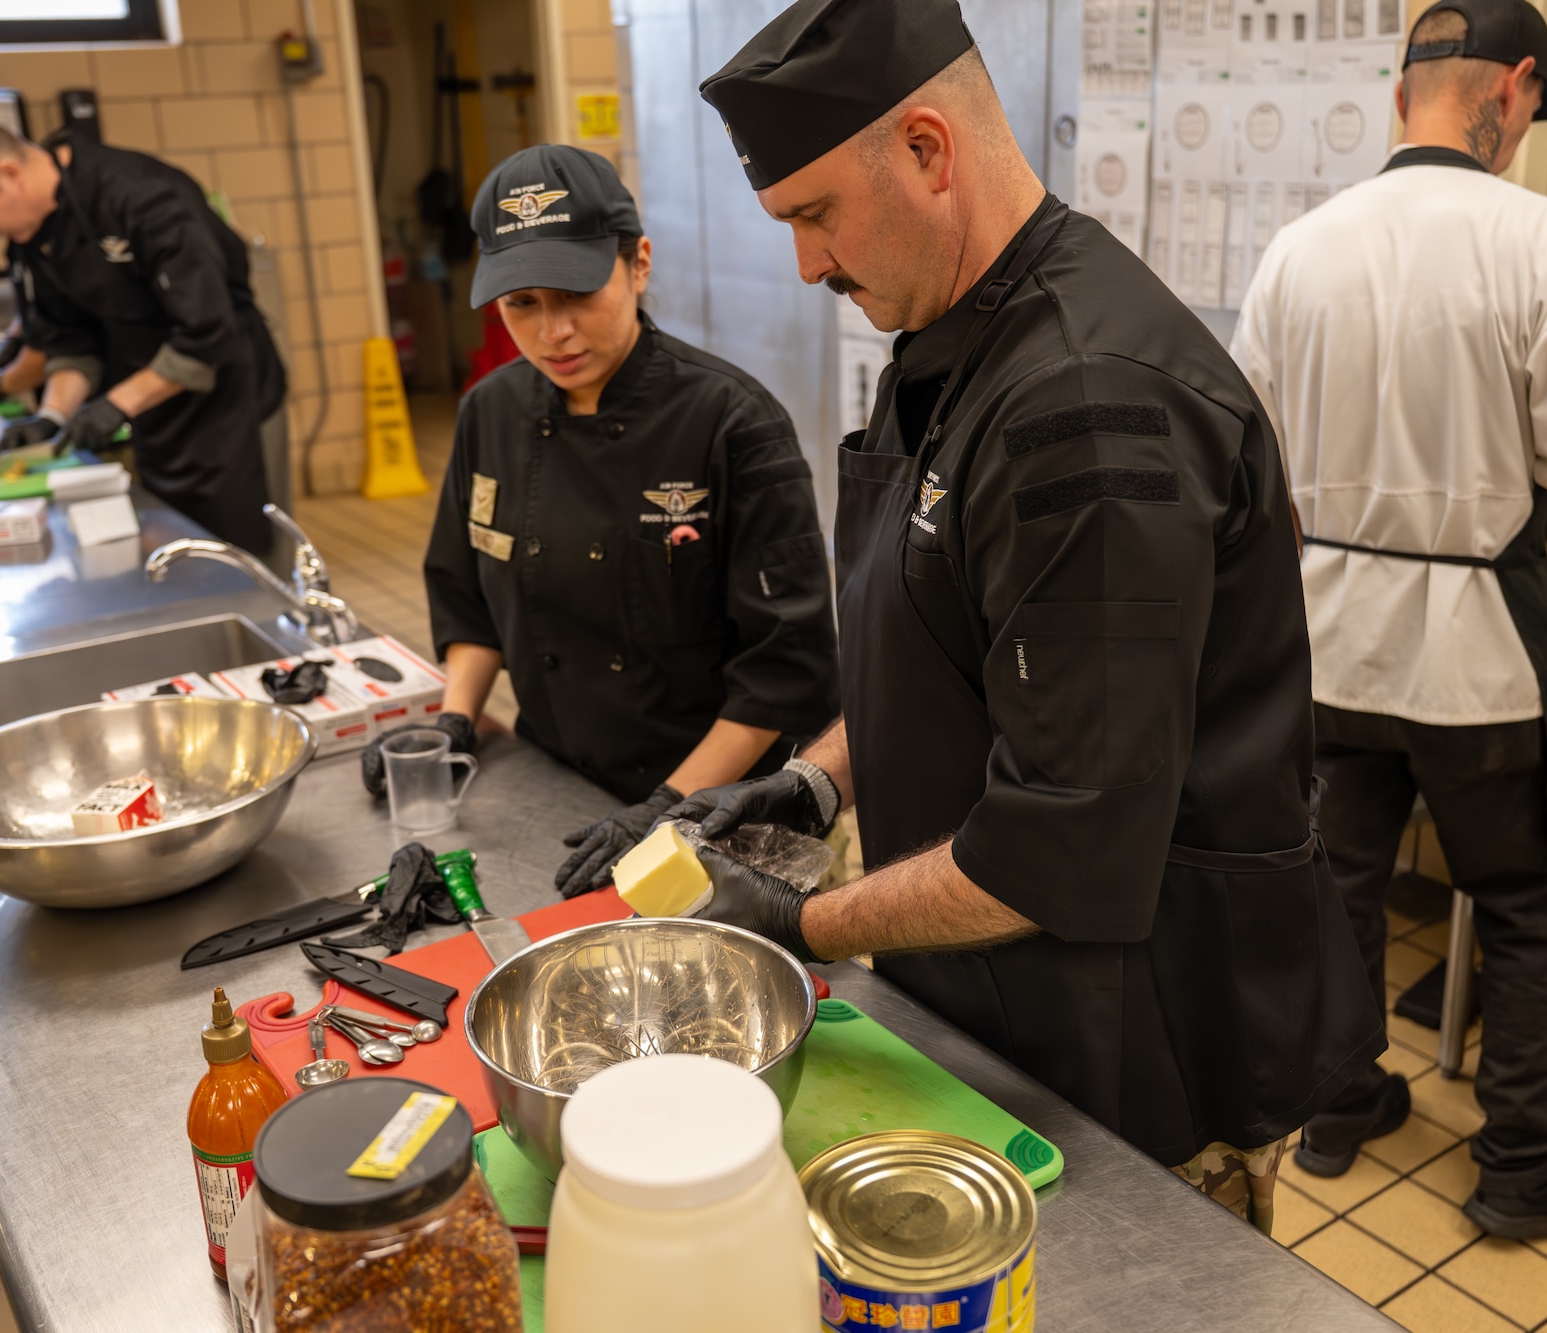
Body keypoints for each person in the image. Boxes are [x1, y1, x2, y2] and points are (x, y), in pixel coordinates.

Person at [666, 0, 1381, 1232]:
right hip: (1007, 1004)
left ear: (928, 151)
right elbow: (958, 654)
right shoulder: (953, 335)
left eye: (814, 215)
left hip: (1135, 1046)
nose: (806, 265)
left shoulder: (1089, 405)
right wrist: (816, 784)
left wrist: (797, 920)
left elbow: (1060, 840)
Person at [1230, 0, 1547, 1238]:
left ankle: (1335, 1101)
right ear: (1514, 89)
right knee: (1523, 906)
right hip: (1479, 649)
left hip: (1327, 641)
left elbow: (1252, 462)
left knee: (1337, 884)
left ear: (1398, 94)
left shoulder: (1298, 248)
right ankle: (1520, 1168)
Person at [422, 144, 842, 897]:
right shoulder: (491, 411)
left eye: (577, 294)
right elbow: (467, 596)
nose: (554, 332)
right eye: (523, 305)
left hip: (726, 814)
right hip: (562, 789)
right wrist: (454, 721)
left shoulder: (732, 423)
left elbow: (784, 674)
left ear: (638, 264)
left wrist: (666, 810)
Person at [0, 109, 282, 552]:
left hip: (224, 398)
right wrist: (54, 416)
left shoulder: (144, 199)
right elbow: (70, 338)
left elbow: (205, 333)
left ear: (10, 174)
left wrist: (116, 406)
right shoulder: (33, 239)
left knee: (236, 547)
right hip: (152, 402)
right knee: (175, 539)